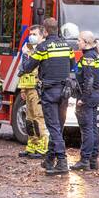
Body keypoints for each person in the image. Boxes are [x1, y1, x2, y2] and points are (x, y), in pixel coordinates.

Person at [22, 17, 75, 175]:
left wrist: (26, 55)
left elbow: (28, 67)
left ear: (45, 31)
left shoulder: (43, 47)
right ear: (57, 29)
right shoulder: (67, 46)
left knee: (53, 128)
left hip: (50, 92)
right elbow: (73, 65)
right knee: (58, 127)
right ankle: (50, 160)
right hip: (64, 92)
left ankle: (62, 161)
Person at [71, 31, 99, 171]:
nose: (77, 42)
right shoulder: (95, 55)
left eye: (79, 40)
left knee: (87, 129)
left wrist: (83, 99)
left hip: (88, 97)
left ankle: (85, 160)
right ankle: (93, 160)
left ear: (86, 42)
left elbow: (88, 80)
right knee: (93, 128)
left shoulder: (88, 57)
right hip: (95, 95)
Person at [17, 25, 48, 159]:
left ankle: (42, 147)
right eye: (30, 34)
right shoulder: (27, 49)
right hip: (28, 88)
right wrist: (22, 89)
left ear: (42, 35)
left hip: (37, 88)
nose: (31, 37)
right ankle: (32, 145)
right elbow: (23, 70)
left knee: (38, 118)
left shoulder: (43, 49)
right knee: (29, 119)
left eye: (34, 34)